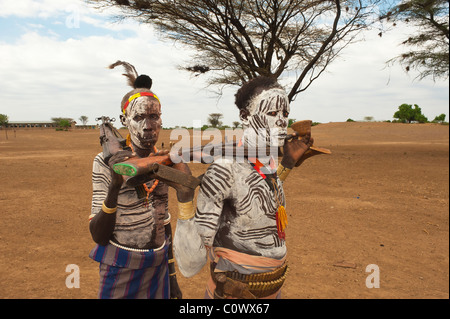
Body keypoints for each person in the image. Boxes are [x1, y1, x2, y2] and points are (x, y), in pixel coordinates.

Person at [173, 76, 314, 299]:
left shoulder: (267, 161)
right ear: (245, 116)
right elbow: (191, 264)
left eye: (285, 114)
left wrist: (287, 164)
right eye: (272, 113)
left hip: (271, 291)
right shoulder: (223, 169)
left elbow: (257, 198)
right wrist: (185, 198)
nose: (281, 122)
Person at [88, 61, 188, 299]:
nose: (148, 126)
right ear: (125, 121)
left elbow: (164, 224)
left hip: (159, 268)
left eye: (154, 116)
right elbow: (98, 236)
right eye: (140, 117)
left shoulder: (163, 161)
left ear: (162, 120)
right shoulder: (105, 162)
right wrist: (115, 186)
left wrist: (172, 277)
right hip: (120, 268)